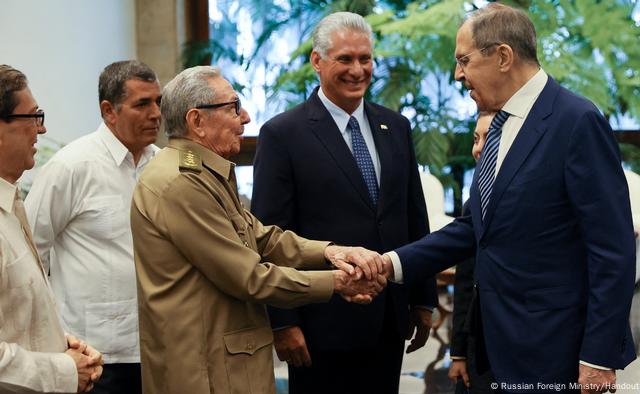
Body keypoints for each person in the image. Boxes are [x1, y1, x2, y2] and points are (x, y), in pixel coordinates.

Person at [383, 3, 637, 393]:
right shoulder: (496, 126)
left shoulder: (577, 122)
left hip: (555, 353)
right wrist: (391, 264)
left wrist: (599, 357)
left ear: (502, 56)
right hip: (489, 349)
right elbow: (476, 228)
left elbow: (612, 251)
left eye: (463, 60)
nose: (458, 75)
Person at [130, 65, 386, 394]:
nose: (246, 117)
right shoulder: (180, 183)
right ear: (197, 121)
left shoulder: (203, 172)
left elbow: (261, 236)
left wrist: (331, 252)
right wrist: (336, 282)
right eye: (233, 107)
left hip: (224, 359)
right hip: (203, 370)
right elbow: (249, 277)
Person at [251, 12, 437, 394]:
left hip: (389, 316)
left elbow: (413, 218)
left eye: (365, 59)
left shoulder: (396, 126)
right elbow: (269, 235)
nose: (358, 70)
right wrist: (283, 323)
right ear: (317, 62)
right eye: (345, 59)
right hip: (322, 324)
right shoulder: (283, 134)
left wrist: (423, 298)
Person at [25, 60, 161, 394]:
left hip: (159, 345)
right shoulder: (71, 167)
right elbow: (29, 253)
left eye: (158, 101)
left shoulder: (162, 165)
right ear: (109, 110)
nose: (156, 113)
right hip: (96, 353)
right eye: (142, 104)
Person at [0, 64, 103, 393]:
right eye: (33, 116)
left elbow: (15, 315)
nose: (41, 130)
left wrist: (58, 344)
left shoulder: (12, 202)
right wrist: (62, 370)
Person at [448, 111, 496, 394]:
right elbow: (465, 282)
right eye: (475, 139)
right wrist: (458, 353)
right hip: (479, 342)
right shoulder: (473, 203)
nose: (478, 148)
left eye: (488, 138)